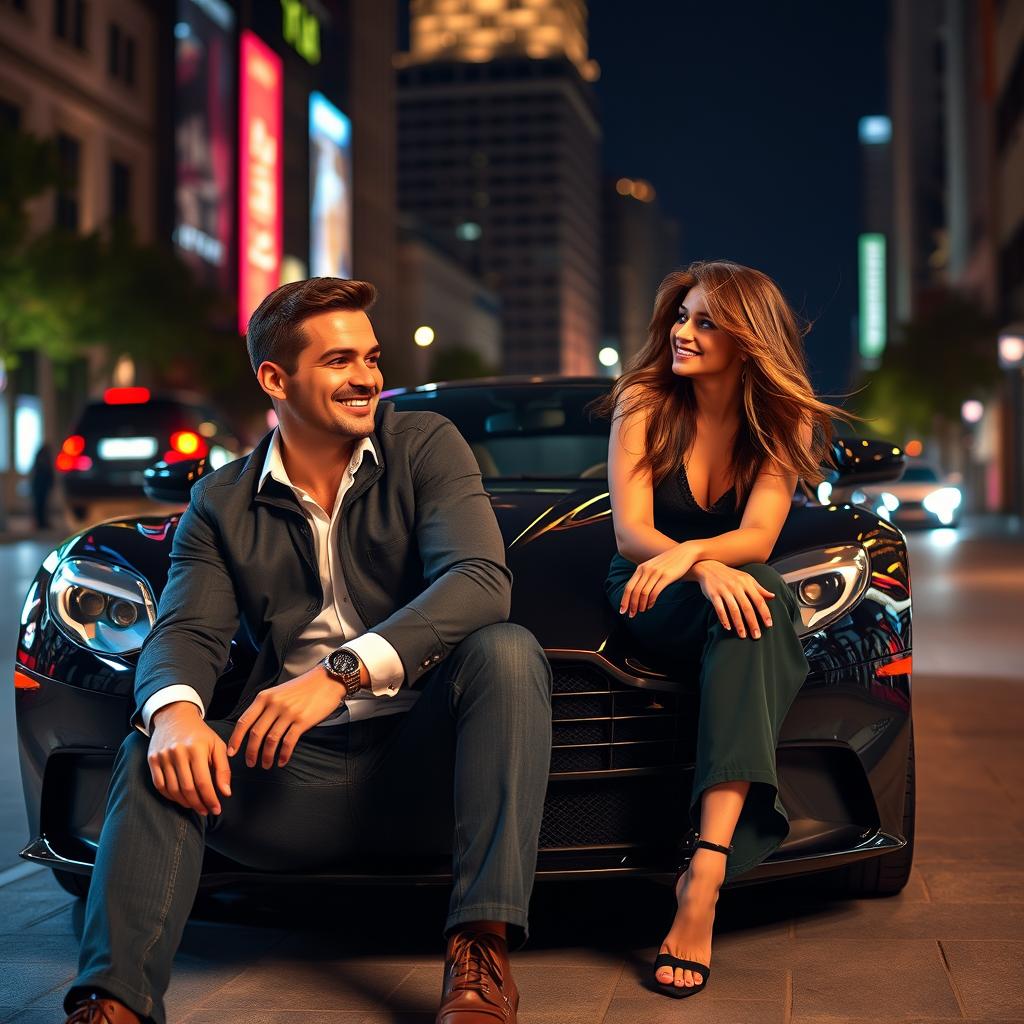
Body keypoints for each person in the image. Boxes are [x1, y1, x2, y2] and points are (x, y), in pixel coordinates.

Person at [63, 278, 552, 1024]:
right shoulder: (220, 502)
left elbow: (480, 580)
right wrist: (173, 716)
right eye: (339, 361)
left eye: (372, 358)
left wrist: (340, 671)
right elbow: (187, 632)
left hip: (426, 769)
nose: (367, 379)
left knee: (507, 651)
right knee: (156, 745)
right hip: (288, 783)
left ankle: (478, 954)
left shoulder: (423, 445)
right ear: (275, 378)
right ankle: (114, 1003)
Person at [596, 260, 854, 1000]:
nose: (682, 331)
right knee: (753, 596)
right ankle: (712, 864)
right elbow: (631, 532)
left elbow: (761, 537)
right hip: (648, 590)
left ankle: (703, 873)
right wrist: (698, 567)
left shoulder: (781, 416)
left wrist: (706, 563)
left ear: (748, 338)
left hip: (730, 588)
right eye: (682, 315)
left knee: (758, 596)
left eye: (705, 321)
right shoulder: (644, 399)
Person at [30, 441, 55, 529]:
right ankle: (40, 523)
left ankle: (42, 522)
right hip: (40, 485)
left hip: (42, 485)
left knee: (43, 505)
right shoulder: (42, 458)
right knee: (39, 504)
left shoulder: (43, 458)